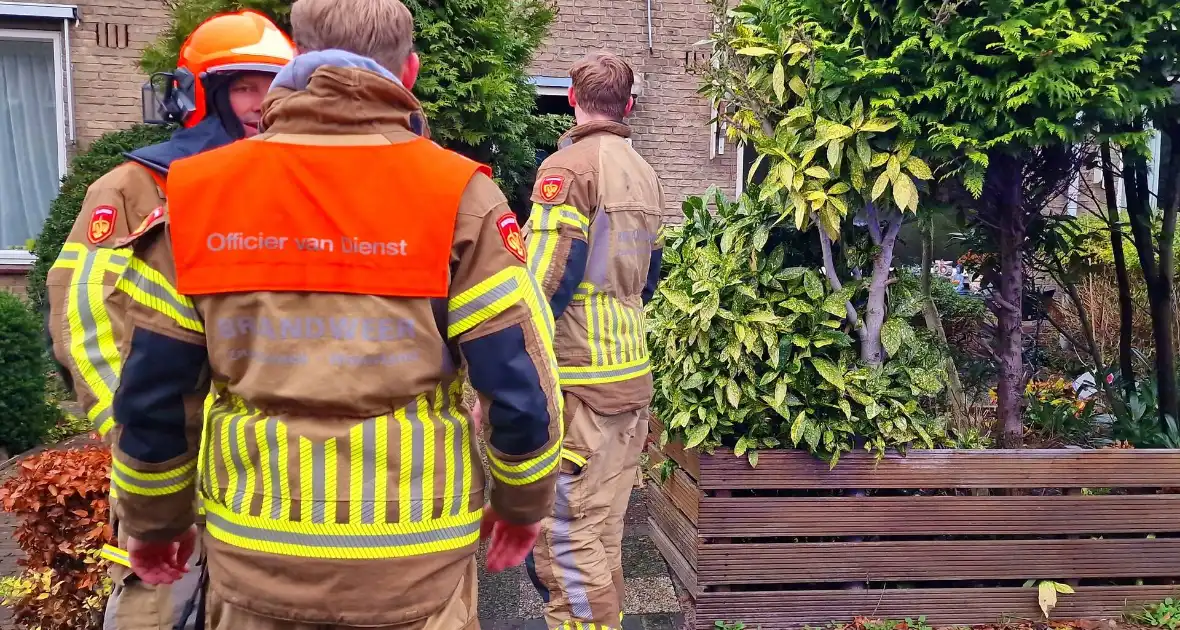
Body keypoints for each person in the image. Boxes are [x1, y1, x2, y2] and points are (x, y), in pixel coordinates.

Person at [104, 0, 563, 628]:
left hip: (256, 555)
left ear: (297, 64)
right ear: (409, 72)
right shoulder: (458, 195)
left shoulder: (197, 195)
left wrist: (155, 521)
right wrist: (521, 503)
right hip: (415, 557)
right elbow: (517, 383)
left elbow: (154, 388)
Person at [44, 10, 295, 630]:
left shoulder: (292, 189)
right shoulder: (134, 187)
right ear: (198, 93)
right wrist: (127, 422)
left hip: (259, 469)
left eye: (273, 85)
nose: (260, 103)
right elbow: (82, 315)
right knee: (153, 608)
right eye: (243, 86)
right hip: (163, 461)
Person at [521, 52, 665, 629]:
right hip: (630, 375)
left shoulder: (567, 169)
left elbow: (544, 282)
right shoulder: (644, 171)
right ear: (627, 105)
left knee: (565, 540)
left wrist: (509, 370)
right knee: (602, 533)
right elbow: (649, 275)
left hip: (579, 382)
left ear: (572, 100)